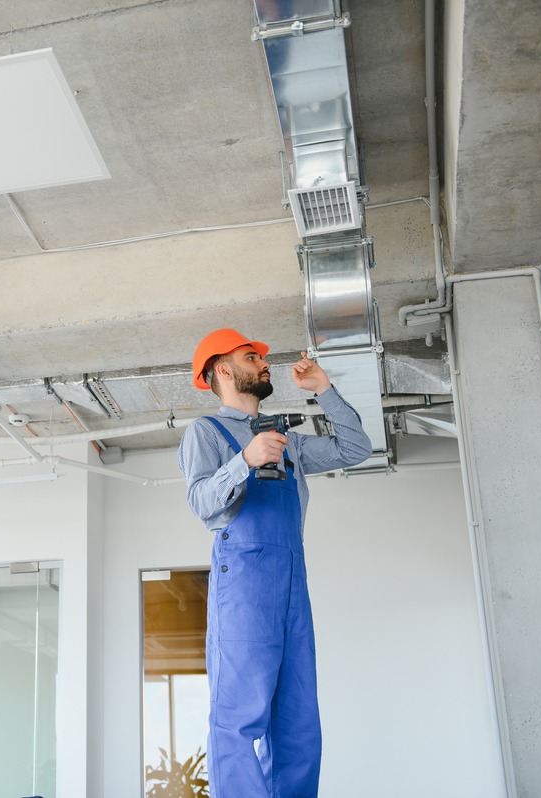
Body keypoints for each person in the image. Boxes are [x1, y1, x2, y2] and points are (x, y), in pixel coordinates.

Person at [177, 328, 372, 798]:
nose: (263, 363)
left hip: (291, 585)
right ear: (223, 370)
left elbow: (356, 449)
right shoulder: (206, 432)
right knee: (238, 718)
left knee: (299, 721)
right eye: (251, 356)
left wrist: (324, 389)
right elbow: (203, 503)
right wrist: (244, 460)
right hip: (244, 585)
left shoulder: (285, 440)